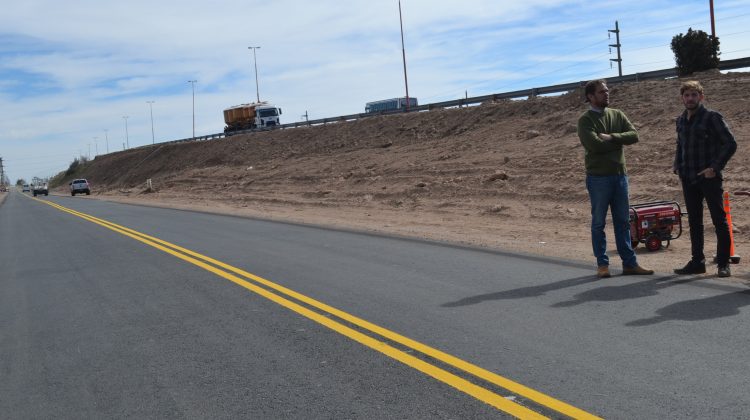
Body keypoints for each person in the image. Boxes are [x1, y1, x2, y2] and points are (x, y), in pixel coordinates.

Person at [577, 79, 653, 278]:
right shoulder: (585, 120)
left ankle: (629, 263)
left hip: (620, 177)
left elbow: (634, 135)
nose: (606, 94)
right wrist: (620, 141)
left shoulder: (617, 114)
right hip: (598, 179)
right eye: (602, 92)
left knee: (623, 222)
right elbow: (594, 146)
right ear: (590, 97)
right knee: (598, 223)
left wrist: (611, 137)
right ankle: (602, 264)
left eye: (607, 90)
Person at [673, 80, 737, 277]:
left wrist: (715, 168)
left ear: (701, 97)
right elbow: (680, 144)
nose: (690, 98)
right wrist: (677, 165)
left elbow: (730, 143)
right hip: (688, 177)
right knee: (694, 221)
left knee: (719, 220)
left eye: (694, 95)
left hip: (709, 178)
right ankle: (697, 262)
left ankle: (723, 264)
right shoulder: (681, 120)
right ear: (682, 98)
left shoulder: (712, 117)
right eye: (686, 95)